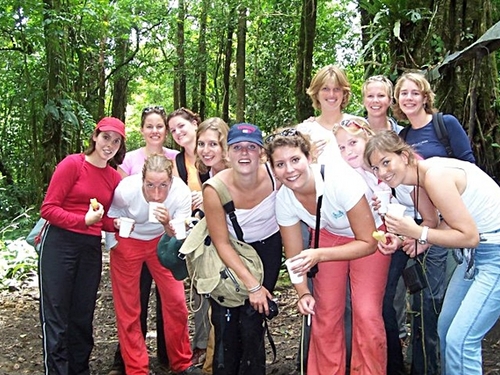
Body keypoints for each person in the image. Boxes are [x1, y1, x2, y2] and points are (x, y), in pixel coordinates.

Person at [365, 130, 500, 375]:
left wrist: (419, 233)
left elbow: (468, 236)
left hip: (493, 253)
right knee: (446, 328)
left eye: (386, 162)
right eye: (375, 168)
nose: (382, 173)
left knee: (462, 340)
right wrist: (411, 239)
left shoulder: (435, 177)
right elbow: (451, 221)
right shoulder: (423, 176)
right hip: (476, 255)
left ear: (404, 156)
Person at [265, 128, 387, 375]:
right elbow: (295, 255)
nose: (289, 170)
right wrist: (301, 293)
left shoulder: (340, 181)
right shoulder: (284, 200)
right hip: (329, 235)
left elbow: (368, 243)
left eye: (295, 160)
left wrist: (319, 255)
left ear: (309, 157)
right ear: (272, 168)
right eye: (280, 164)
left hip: (369, 235)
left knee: (366, 313)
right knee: (324, 311)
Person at [334, 117, 439, 375]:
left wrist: (412, 235)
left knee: (422, 303)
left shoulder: (410, 168)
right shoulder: (368, 169)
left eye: (354, 143)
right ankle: (393, 364)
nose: (349, 151)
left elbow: (430, 218)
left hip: (429, 232)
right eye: (342, 147)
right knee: (386, 301)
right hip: (400, 232)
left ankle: (422, 366)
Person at [391, 71, 476, 375]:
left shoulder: (445, 125)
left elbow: (468, 167)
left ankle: (439, 361)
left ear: (425, 96)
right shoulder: (402, 137)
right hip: (417, 227)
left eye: (415, 92)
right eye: (404, 94)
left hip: (450, 225)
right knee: (422, 296)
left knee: (437, 298)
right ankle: (424, 361)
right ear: (397, 100)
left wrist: (445, 214)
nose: (409, 98)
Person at [39, 117, 126, 375]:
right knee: (56, 313)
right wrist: (82, 220)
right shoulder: (72, 164)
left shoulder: (113, 177)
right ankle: (56, 370)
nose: (109, 144)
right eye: (105, 137)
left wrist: (117, 224)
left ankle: (79, 368)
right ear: (95, 136)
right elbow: (48, 209)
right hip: (59, 243)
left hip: (89, 247)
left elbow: (104, 218)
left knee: (82, 312)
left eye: (116, 140)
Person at [107, 154, 202, 375]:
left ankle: (181, 362)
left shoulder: (180, 193)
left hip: (161, 242)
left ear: (171, 181)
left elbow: (181, 234)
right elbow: (112, 215)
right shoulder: (126, 190)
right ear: (142, 180)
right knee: (128, 307)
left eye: (163, 186)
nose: (156, 193)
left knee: (176, 302)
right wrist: (114, 242)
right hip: (128, 242)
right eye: (150, 185)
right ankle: (136, 368)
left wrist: (168, 223)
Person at [202, 123, 283, 375]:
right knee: (226, 324)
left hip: (267, 250)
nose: (245, 153)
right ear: (227, 153)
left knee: (252, 322)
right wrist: (252, 285)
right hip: (230, 255)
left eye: (252, 147)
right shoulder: (215, 189)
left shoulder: (276, 176)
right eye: (237, 147)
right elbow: (221, 241)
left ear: (262, 153)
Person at [108, 106, 179, 375]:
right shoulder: (130, 160)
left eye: (159, 126)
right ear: (142, 130)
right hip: (133, 238)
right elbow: (120, 199)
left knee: (170, 301)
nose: (155, 131)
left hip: (164, 238)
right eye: (149, 126)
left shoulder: (175, 158)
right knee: (134, 299)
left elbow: (180, 196)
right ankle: (127, 361)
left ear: (166, 130)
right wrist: (113, 240)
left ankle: (168, 357)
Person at [167, 107, 210, 366]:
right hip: (196, 231)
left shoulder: (214, 148)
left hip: (225, 226)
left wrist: (206, 195)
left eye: (181, 126)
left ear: (195, 123)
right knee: (199, 288)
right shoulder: (178, 162)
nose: (178, 133)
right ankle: (202, 345)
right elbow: (176, 197)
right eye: (173, 130)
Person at [296, 64, 353, 164]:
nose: (331, 94)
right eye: (325, 89)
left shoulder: (356, 125)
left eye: (337, 89)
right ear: (316, 93)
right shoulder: (304, 131)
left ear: (344, 93)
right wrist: (310, 158)